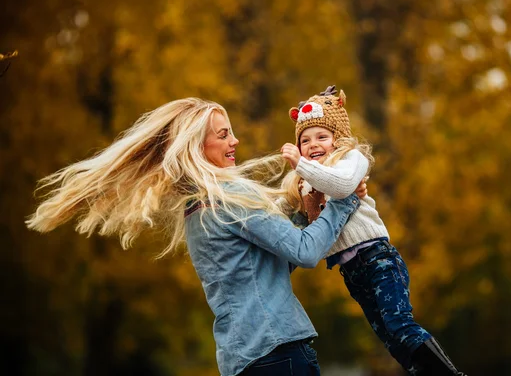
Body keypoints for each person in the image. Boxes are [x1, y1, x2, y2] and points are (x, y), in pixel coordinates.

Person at [25, 97, 363, 376]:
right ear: (197, 146)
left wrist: (305, 208)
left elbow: (268, 268)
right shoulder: (228, 197)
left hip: (244, 358)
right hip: (277, 351)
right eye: (223, 135)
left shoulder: (196, 207)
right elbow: (304, 252)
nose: (235, 141)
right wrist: (345, 199)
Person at [280, 86, 466, 376]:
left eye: (321, 137)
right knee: (391, 340)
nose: (312, 144)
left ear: (338, 138)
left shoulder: (351, 161)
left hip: (378, 258)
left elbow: (340, 186)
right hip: (352, 272)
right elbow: (280, 209)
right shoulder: (303, 182)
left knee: (400, 326)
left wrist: (300, 164)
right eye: (305, 140)